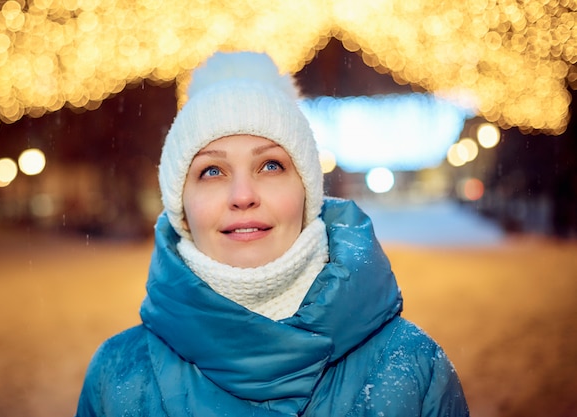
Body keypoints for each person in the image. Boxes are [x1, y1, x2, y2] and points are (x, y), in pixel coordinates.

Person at [75, 51, 469, 417]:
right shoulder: (117, 379)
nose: (243, 196)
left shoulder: (415, 368)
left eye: (270, 166)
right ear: (180, 206)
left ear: (307, 192)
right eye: (211, 171)